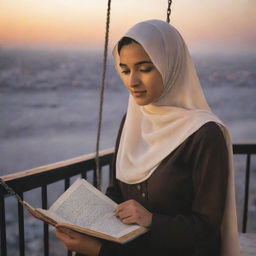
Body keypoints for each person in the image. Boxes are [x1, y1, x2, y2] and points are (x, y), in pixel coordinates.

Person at [55, 19, 240, 256]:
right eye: (125, 70)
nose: (132, 81)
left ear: (170, 66)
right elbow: (117, 193)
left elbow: (206, 229)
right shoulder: (132, 119)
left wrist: (151, 220)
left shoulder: (204, 133)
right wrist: (86, 225)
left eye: (145, 68)